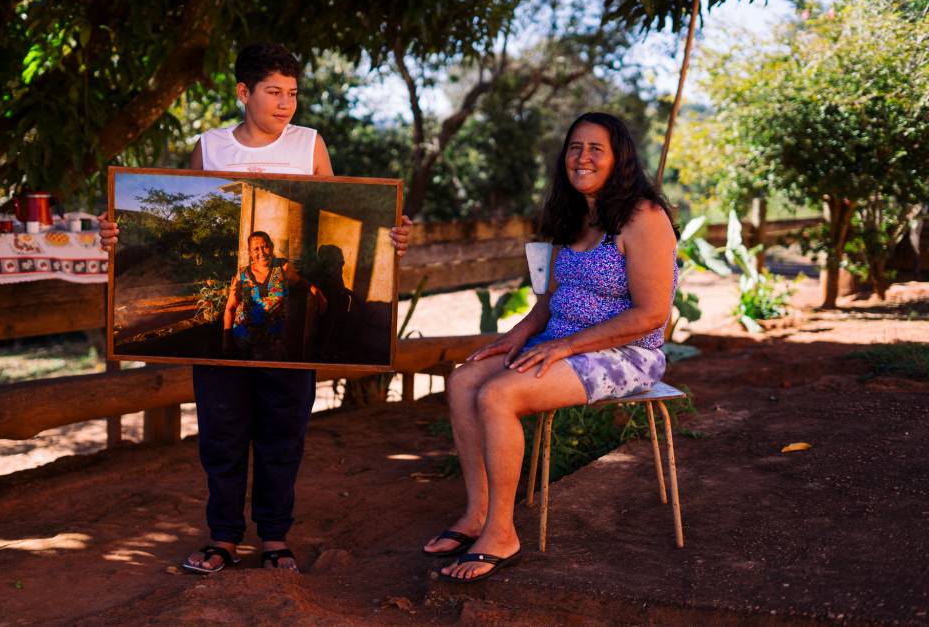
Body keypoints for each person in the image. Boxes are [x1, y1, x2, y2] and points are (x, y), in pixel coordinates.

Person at [99, 43, 411, 574]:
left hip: (285, 349)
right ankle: (223, 537)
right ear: (244, 92)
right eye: (274, 92)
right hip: (231, 348)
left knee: (282, 433)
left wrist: (393, 234)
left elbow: (346, 204)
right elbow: (178, 220)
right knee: (221, 434)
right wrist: (117, 234)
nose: (286, 103)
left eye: (292, 93)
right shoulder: (210, 147)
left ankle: (274, 538)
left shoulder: (310, 144)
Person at [423, 112, 678, 583]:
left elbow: (651, 314)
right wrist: (516, 336)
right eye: (575, 147)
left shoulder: (643, 217)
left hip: (625, 354)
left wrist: (566, 346)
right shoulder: (576, 215)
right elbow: (550, 301)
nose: (582, 157)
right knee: (464, 381)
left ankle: (502, 533)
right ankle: (477, 514)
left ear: (619, 158)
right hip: (560, 342)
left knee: (498, 395)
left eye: (596, 149)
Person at [222, 230, 327, 361]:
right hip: (244, 340)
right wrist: (226, 340)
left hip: (274, 342)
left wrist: (319, 294)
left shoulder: (283, 268)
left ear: (271, 247)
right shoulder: (242, 274)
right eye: (256, 249)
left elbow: (304, 284)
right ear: (250, 252)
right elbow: (230, 308)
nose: (262, 252)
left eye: (265, 246)